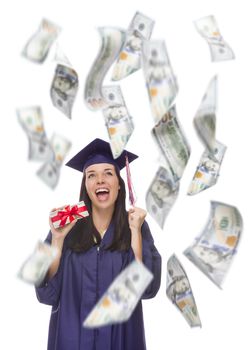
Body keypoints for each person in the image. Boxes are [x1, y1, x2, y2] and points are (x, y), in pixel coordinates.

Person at [35, 138, 162, 350]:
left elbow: (147, 290)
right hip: (72, 341)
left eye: (108, 173)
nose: (100, 180)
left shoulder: (137, 227)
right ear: (85, 185)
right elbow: (45, 294)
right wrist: (57, 238)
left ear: (119, 185)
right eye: (91, 175)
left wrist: (135, 232)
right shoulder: (66, 226)